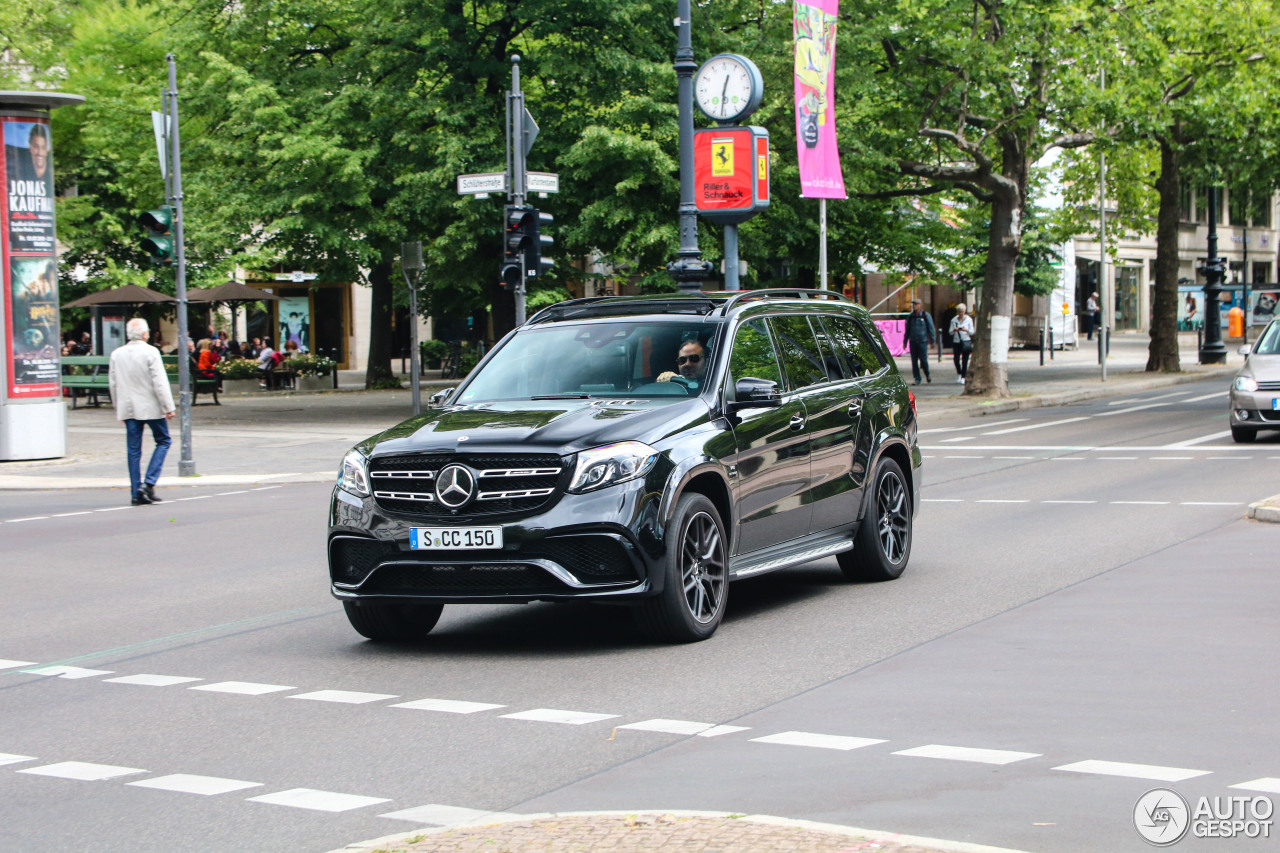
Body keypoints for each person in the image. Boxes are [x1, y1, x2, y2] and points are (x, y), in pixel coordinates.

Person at [108, 318, 175, 506]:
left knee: (133, 450)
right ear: (145, 334)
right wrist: (168, 407)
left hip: (129, 407)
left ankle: (135, 491)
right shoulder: (151, 352)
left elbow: (113, 383)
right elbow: (159, 382)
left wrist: (118, 408)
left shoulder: (117, 354)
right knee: (163, 440)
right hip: (151, 406)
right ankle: (149, 483)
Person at [901, 298, 935, 385]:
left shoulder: (925, 315)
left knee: (923, 360)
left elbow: (931, 328)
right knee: (914, 361)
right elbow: (907, 330)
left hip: (923, 341)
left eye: (916, 304)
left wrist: (933, 341)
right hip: (913, 341)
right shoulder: (911, 317)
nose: (914, 306)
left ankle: (927, 374)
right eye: (913, 304)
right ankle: (917, 378)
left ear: (920, 305)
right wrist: (905, 342)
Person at [948, 303, 975, 385]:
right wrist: (954, 330)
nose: (961, 314)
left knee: (965, 360)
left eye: (962, 312)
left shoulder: (969, 320)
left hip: (966, 340)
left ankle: (963, 376)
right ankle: (959, 373)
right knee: (956, 359)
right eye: (959, 312)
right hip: (957, 341)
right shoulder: (953, 320)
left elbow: (972, 332)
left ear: (965, 312)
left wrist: (966, 330)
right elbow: (950, 332)